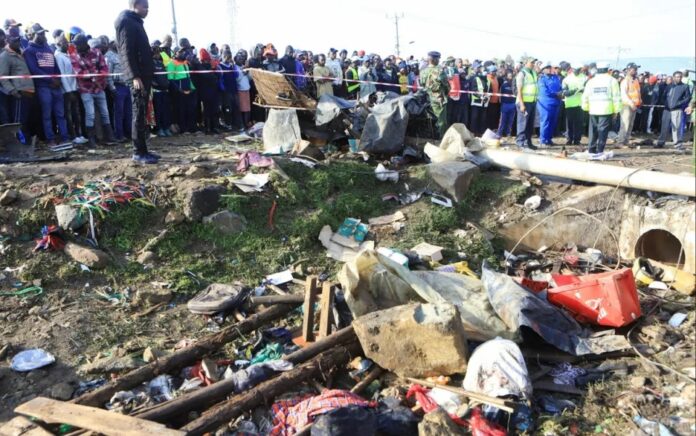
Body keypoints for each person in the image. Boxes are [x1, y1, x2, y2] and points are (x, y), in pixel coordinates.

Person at [115, 0, 159, 164]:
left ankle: (144, 150)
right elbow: (126, 51)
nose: (147, 10)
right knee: (138, 113)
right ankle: (138, 152)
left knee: (142, 113)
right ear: (135, 5)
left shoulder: (135, 22)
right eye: (144, 6)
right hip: (137, 77)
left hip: (143, 74)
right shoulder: (126, 21)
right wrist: (134, 76)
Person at [23, 23, 70, 147]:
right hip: (43, 87)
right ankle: (50, 139)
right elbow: (34, 70)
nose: (44, 35)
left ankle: (65, 137)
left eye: (44, 33)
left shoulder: (48, 48)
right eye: (41, 33)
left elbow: (55, 66)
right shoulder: (29, 51)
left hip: (55, 86)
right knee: (47, 114)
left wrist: (58, 79)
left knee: (60, 114)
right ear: (34, 35)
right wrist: (51, 80)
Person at [71, 34, 116, 147]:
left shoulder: (96, 52)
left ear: (84, 43)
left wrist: (96, 77)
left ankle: (109, 137)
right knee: (90, 114)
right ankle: (91, 139)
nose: (75, 47)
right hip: (85, 90)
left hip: (99, 88)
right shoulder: (74, 56)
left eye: (77, 45)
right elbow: (79, 74)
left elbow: (104, 69)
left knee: (105, 113)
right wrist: (94, 76)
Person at [0, 26, 35, 143]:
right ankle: (19, 145)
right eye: (14, 40)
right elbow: (3, 77)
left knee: (25, 120)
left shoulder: (22, 53)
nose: (18, 42)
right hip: (19, 93)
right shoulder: (5, 56)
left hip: (29, 92)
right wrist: (13, 91)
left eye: (18, 40)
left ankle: (26, 144)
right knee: (18, 122)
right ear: (8, 41)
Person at [54, 33, 87, 144]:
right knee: (68, 114)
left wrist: (75, 88)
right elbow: (63, 76)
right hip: (66, 91)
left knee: (76, 113)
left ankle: (79, 134)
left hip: (74, 88)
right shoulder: (58, 56)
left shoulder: (67, 54)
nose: (67, 44)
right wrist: (69, 91)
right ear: (58, 44)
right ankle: (73, 136)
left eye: (67, 42)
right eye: (64, 43)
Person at [581, 62, 621, 154]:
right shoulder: (612, 81)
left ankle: (591, 149)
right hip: (606, 110)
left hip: (593, 110)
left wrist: (586, 108)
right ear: (607, 69)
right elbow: (616, 97)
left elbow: (585, 96)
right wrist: (616, 111)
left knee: (593, 130)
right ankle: (600, 150)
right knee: (603, 131)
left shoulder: (591, 81)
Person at [105, 39, 132, 143]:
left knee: (128, 112)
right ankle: (119, 135)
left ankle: (128, 133)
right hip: (118, 86)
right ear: (113, 44)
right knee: (119, 112)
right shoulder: (109, 56)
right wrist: (112, 88)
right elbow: (108, 74)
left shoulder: (122, 54)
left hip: (127, 85)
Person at [656, 71, 691, 149]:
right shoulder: (669, 86)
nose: (678, 78)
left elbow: (688, 98)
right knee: (664, 127)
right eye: (677, 77)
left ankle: (677, 144)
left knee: (676, 128)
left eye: (680, 77)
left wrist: (679, 103)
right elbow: (664, 96)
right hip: (667, 110)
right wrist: (665, 103)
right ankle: (661, 142)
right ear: (673, 77)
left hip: (677, 110)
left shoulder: (685, 86)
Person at [419, 51, 450, 137]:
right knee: (441, 121)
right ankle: (441, 139)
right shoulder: (440, 71)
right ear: (434, 59)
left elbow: (422, 84)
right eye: (437, 59)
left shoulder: (423, 71)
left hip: (427, 99)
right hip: (438, 99)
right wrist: (445, 93)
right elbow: (447, 86)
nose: (439, 61)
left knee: (430, 119)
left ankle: (431, 137)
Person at [168, 47, 196, 134]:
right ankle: (183, 129)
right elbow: (170, 79)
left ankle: (191, 128)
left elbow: (188, 77)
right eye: (180, 52)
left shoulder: (185, 63)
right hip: (179, 91)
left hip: (188, 88)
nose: (183, 53)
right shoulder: (172, 63)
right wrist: (178, 89)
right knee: (181, 110)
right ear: (175, 53)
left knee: (190, 109)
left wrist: (192, 88)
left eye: (183, 52)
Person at [515, 56, 539, 149]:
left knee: (530, 124)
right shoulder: (522, 73)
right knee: (522, 124)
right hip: (524, 102)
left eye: (534, 62)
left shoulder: (533, 72)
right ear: (526, 63)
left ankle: (528, 142)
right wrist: (521, 104)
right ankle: (520, 142)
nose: (533, 64)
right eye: (531, 62)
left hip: (532, 102)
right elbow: (519, 90)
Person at [536, 62, 562, 146]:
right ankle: (543, 140)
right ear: (543, 70)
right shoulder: (542, 79)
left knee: (552, 122)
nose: (549, 69)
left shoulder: (556, 78)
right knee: (545, 121)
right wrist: (556, 94)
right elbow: (544, 91)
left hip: (555, 102)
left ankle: (549, 139)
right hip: (545, 103)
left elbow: (560, 87)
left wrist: (561, 92)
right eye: (546, 68)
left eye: (549, 67)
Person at [197, 48, 222, 134]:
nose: (207, 61)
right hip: (206, 91)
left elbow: (218, 75)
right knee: (207, 111)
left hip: (213, 91)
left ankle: (214, 127)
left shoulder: (212, 65)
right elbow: (208, 76)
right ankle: (208, 128)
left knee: (214, 110)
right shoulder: (200, 67)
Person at [617, 62, 642, 146]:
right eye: (634, 69)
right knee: (625, 124)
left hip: (635, 105)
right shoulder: (625, 81)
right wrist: (631, 103)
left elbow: (637, 92)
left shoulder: (635, 81)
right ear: (628, 70)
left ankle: (626, 141)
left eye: (636, 69)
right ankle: (620, 142)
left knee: (630, 125)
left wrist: (640, 100)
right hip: (627, 105)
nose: (636, 71)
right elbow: (624, 95)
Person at [561, 62, 585, 145]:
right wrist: (576, 90)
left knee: (579, 123)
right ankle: (569, 139)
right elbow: (565, 93)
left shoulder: (583, 77)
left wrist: (583, 90)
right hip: (570, 104)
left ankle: (577, 140)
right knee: (570, 123)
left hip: (581, 104)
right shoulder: (566, 79)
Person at [151, 43, 172, 137]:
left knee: (165, 110)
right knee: (158, 111)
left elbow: (168, 64)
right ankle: (159, 129)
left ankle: (166, 127)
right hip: (156, 91)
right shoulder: (150, 63)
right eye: (156, 52)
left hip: (165, 90)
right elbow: (150, 77)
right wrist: (155, 84)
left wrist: (166, 83)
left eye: (158, 52)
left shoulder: (161, 62)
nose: (158, 54)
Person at [219, 49, 241, 131]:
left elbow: (236, 75)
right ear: (223, 57)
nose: (228, 59)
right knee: (228, 109)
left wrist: (233, 66)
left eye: (229, 57)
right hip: (226, 91)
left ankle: (236, 125)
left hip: (234, 89)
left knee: (236, 107)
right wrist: (223, 88)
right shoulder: (220, 66)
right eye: (226, 57)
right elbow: (220, 79)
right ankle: (228, 124)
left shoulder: (232, 66)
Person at [468, 62, 490, 136]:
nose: (480, 69)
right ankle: (473, 133)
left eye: (480, 68)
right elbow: (473, 90)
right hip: (476, 102)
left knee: (483, 119)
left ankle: (481, 133)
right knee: (474, 118)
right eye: (478, 68)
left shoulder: (485, 79)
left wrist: (486, 97)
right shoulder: (474, 78)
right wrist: (481, 97)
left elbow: (488, 90)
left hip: (484, 103)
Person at [234, 50, 251, 128]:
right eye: (239, 59)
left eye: (242, 59)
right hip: (240, 90)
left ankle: (246, 123)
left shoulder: (243, 67)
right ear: (236, 59)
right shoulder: (235, 68)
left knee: (247, 109)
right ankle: (242, 124)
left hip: (246, 89)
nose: (241, 60)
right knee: (242, 109)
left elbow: (250, 78)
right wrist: (242, 73)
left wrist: (247, 73)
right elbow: (236, 79)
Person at [497, 69, 516, 139]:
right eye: (509, 76)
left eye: (511, 76)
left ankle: (508, 133)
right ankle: (499, 133)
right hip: (505, 105)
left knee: (510, 120)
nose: (510, 77)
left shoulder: (515, 85)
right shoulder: (504, 85)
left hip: (513, 105)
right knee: (503, 120)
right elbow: (500, 95)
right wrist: (501, 104)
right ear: (507, 77)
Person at [486, 64, 501, 131]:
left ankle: (494, 128)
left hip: (496, 101)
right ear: (490, 72)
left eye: (495, 71)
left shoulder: (495, 78)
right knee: (489, 116)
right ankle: (489, 129)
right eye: (494, 71)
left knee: (495, 116)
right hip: (489, 101)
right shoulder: (488, 78)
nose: (495, 72)